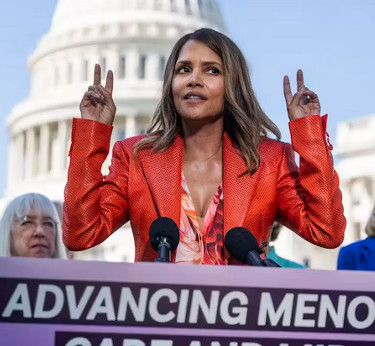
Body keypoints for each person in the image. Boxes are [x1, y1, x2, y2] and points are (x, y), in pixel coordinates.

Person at [63, 28, 346, 264]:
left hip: (239, 321)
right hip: (158, 320)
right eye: (183, 69)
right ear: (170, 84)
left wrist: (309, 132)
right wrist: (93, 131)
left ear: (233, 85)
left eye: (211, 70)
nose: (194, 80)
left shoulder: (269, 159)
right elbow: (80, 234)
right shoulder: (135, 156)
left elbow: (326, 231)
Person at [0, 193, 68, 346]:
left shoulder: (79, 299)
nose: (40, 231)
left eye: (48, 224)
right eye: (27, 222)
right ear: (8, 234)